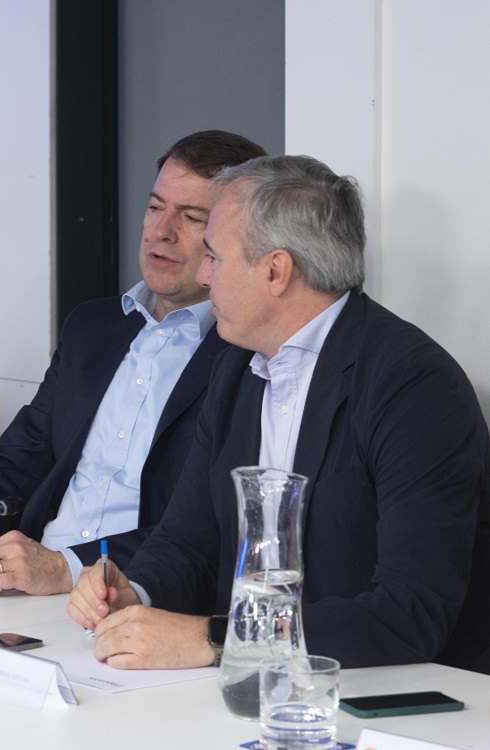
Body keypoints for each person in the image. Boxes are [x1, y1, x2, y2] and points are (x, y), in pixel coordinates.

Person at [67, 154, 490, 673]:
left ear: (275, 270)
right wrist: (137, 591)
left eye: (214, 258)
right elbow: (189, 539)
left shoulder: (414, 386)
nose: (202, 275)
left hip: (389, 696)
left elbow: (410, 613)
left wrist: (215, 639)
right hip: (255, 686)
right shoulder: (235, 367)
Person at [0, 131, 265, 594]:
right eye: (155, 207)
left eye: (192, 217)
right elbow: (23, 455)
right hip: (24, 585)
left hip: (130, 595)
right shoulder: (94, 326)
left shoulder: (247, 355)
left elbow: (207, 525)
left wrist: (68, 567)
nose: (161, 231)